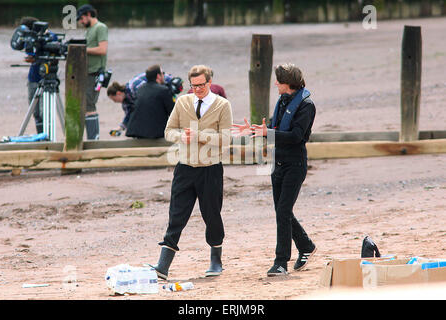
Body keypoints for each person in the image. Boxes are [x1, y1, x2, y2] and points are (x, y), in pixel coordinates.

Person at [232, 63, 317, 276]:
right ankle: (306, 247)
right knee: (282, 211)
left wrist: (266, 134)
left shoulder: (307, 105)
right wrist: (253, 129)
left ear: (288, 83)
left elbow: (297, 136)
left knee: (283, 212)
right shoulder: (282, 99)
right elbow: (271, 128)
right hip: (276, 162)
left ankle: (281, 263)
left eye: (278, 80)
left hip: (295, 165)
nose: (275, 83)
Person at [150, 65, 233, 279]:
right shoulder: (182, 102)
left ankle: (216, 261)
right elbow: (168, 131)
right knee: (176, 214)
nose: (198, 89)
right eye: (194, 86)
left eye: (202, 85)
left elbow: (225, 139)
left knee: (212, 215)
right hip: (184, 169)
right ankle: (163, 265)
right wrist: (181, 137)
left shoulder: (223, 105)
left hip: (211, 170)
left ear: (210, 82)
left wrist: (200, 136)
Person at [107, 72, 180, 136]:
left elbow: (149, 92)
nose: (115, 102)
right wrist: (120, 128)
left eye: (114, 99)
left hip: (165, 84)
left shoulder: (133, 86)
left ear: (118, 93)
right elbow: (129, 115)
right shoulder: (126, 103)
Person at [20, 16, 57, 134]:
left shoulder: (50, 36)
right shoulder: (30, 38)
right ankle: (40, 135)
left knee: (45, 112)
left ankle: (49, 136)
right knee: (35, 112)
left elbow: (54, 55)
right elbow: (30, 54)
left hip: (47, 76)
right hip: (34, 77)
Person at [77, 4, 108, 140]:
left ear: (89, 14)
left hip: (95, 72)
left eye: (82, 18)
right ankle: (89, 136)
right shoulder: (89, 30)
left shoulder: (100, 28)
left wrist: (82, 49)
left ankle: (93, 138)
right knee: (84, 103)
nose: (81, 22)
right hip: (87, 71)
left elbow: (102, 50)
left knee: (90, 104)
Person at [121, 65, 175, 139]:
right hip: (154, 133)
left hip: (136, 131)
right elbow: (173, 112)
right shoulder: (163, 90)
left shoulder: (140, 89)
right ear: (158, 76)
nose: (164, 75)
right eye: (163, 73)